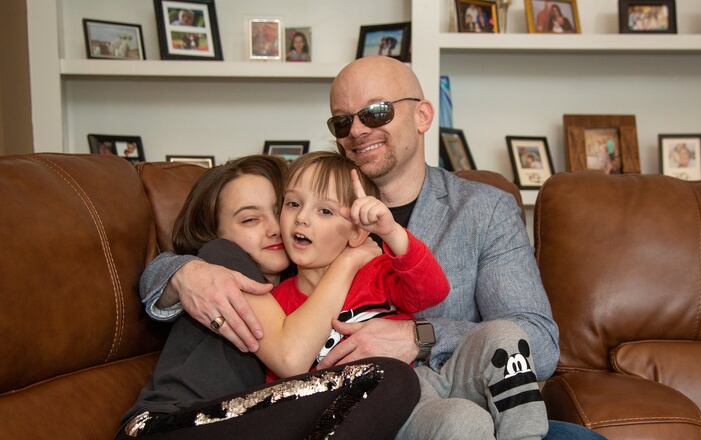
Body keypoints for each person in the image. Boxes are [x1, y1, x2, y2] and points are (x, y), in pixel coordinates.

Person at [138, 56, 604, 439]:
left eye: (377, 112)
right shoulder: (313, 205)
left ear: (423, 115)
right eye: (343, 120)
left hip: (468, 398)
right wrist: (182, 272)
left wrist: (417, 337)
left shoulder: (485, 210)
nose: (358, 129)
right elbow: (229, 230)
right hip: (364, 418)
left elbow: (537, 341)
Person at [120, 155, 419, 439]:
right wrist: (349, 261)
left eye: (282, 209)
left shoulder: (302, 282)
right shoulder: (224, 258)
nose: (275, 228)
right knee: (386, 379)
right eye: (250, 219)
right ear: (216, 234)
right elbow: (290, 358)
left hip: (244, 421)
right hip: (165, 426)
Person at [271, 151, 548, 438]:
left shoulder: (376, 271)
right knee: (465, 421)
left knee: (505, 336)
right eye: (293, 204)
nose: (301, 218)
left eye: (324, 211)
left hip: (427, 378)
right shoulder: (278, 304)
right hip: (384, 412)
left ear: (357, 233)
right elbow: (278, 391)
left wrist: (392, 233)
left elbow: (432, 290)